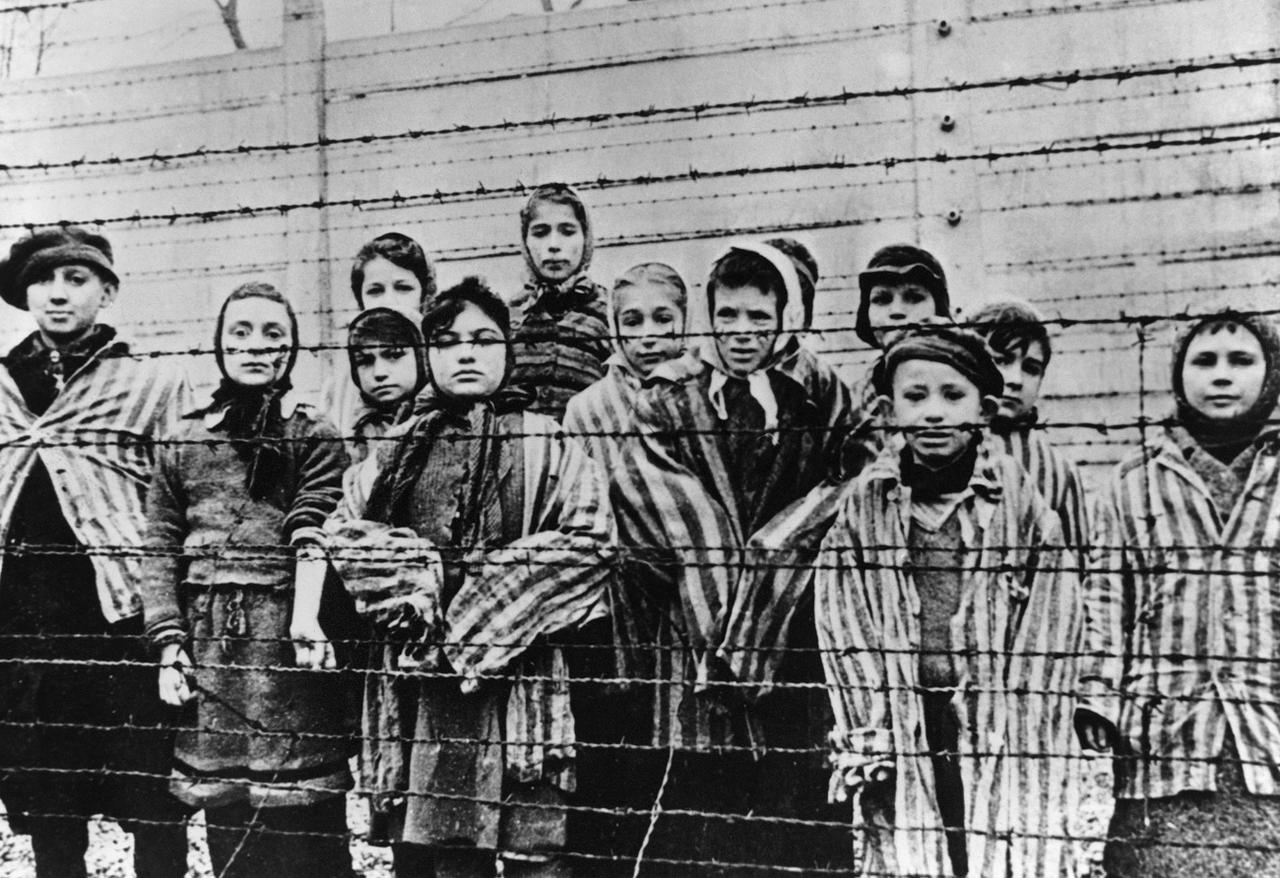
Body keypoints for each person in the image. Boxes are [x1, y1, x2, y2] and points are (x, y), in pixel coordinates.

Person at [324, 277, 615, 878]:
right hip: (423, 677)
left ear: (507, 351)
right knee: (447, 850)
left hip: (522, 673)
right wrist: (415, 581)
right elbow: (346, 532)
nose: (466, 353)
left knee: (537, 849)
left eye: (484, 340)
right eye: (449, 340)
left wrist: (491, 603)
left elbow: (592, 540)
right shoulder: (395, 448)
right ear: (428, 353)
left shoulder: (547, 440)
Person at [610, 241, 858, 876]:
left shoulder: (820, 392)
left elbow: (853, 478)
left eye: (758, 317)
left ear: (785, 316)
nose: (742, 334)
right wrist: (731, 606)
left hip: (794, 629)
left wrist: (784, 546)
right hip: (698, 632)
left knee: (793, 799)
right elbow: (669, 513)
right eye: (727, 316)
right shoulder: (667, 397)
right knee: (705, 806)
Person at [817, 327, 1084, 877]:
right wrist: (870, 724)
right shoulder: (868, 509)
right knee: (914, 848)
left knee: (993, 847)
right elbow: (843, 616)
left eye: (952, 396)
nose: (934, 413)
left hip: (998, 723)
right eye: (916, 398)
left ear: (984, 410)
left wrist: (1026, 723)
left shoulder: (1018, 506)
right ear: (890, 411)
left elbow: (1053, 621)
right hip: (904, 718)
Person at [140, 282, 357, 878]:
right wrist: (169, 644)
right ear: (219, 343)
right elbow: (158, 545)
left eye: (272, 335)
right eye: (241, 332)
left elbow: (321, 522)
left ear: (291, 350)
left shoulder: (313, 433)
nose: (255, 347)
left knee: (307, 824)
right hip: (211, 648)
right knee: (228, 820)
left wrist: (304, 621)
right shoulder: (183, 439)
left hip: (287, 644)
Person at [0, 227, 192, 878]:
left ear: (107, 292)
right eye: (44, 280)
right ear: (24, 293)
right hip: (28, 633)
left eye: (76, 279)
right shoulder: (2, 390)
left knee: (152, 803)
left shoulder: (148, 385)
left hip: (123, 629)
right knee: (53, 812)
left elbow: (182, 498)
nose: (58, 293)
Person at [1077, 303, 1280, 876]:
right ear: (1178, 376)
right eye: (1204, 360)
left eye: (1241, 360)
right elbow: (1105, 596)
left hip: (1267, 731)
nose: (1221, 374)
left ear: (1271, 374)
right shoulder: (1134, 481)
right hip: (1161, 737)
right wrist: (1098, 691)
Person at [562, 262, 699, 875]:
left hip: (693, 598)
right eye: (633, 322)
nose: (649, 336)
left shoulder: (700, 393)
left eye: (663, 320)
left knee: (681, 758)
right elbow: (577, 503)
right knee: (616, 752)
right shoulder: (588, 409)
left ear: (685, 322)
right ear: (614, 330)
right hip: (617, 602)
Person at [970, 298, 1089, 547]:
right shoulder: (937, 442)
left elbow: (1075, 568)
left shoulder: (1058, 470)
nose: (1015, 379)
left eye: (1031, 368)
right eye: (1001, 360)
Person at [323, 232, 438, 454]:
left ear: (425, 295)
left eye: (403, 288)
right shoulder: (343, 380)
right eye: (375, 291)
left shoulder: (443, 366)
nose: (389, 301)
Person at [507, 183, 611, 421]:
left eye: (567, 231)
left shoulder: (610, 313)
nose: (553, 244)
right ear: (525, 241)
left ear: (586, 238)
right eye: (540, 232)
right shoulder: (507, 317)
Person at [344, 306, 428, 465]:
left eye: (394, 355)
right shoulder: (356, 435)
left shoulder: (446, 423)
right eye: (365, 361)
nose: (379, 373)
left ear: (422, 357)